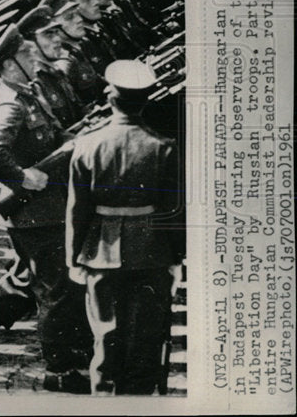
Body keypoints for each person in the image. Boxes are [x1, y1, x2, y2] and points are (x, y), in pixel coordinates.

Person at [0, 24, 92, 392]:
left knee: (30, 278)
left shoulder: (29, 93)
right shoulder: (9, 102)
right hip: (36, 213)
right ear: (10, 65)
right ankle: (59, 368)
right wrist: (23, 177)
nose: (34, 58)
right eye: (26, 55)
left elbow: (50, 139)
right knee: (55, 290)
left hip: (49, 208)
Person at [67, 60, 184, 395]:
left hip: (99, 252)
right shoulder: (164, 148)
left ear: (109, 97)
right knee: (145, 339)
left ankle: (103, 396)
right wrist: (176, 259)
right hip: (152, 252)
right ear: (146, 100)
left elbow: (77, 208)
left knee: (105, 334)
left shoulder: (87, 144)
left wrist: (73, 258)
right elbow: (174, 211)